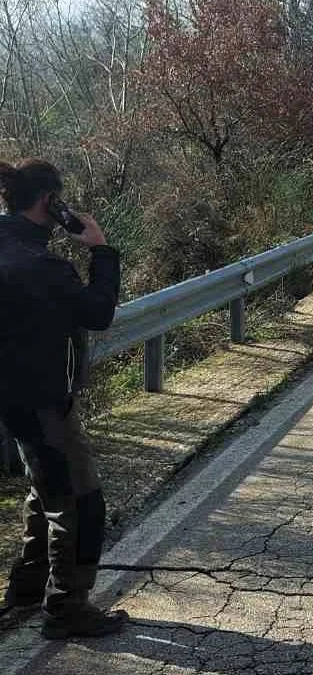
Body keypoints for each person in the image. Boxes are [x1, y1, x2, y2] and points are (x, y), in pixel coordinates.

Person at [0, 159, 126, 640]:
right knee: (79, 501)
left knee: (44, 489)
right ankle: (68, 608)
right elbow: (97, 312)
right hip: (43, 398)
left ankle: (27, 588)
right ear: (51, 202)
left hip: (11, 397)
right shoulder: (44, 267)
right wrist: (100, 250)